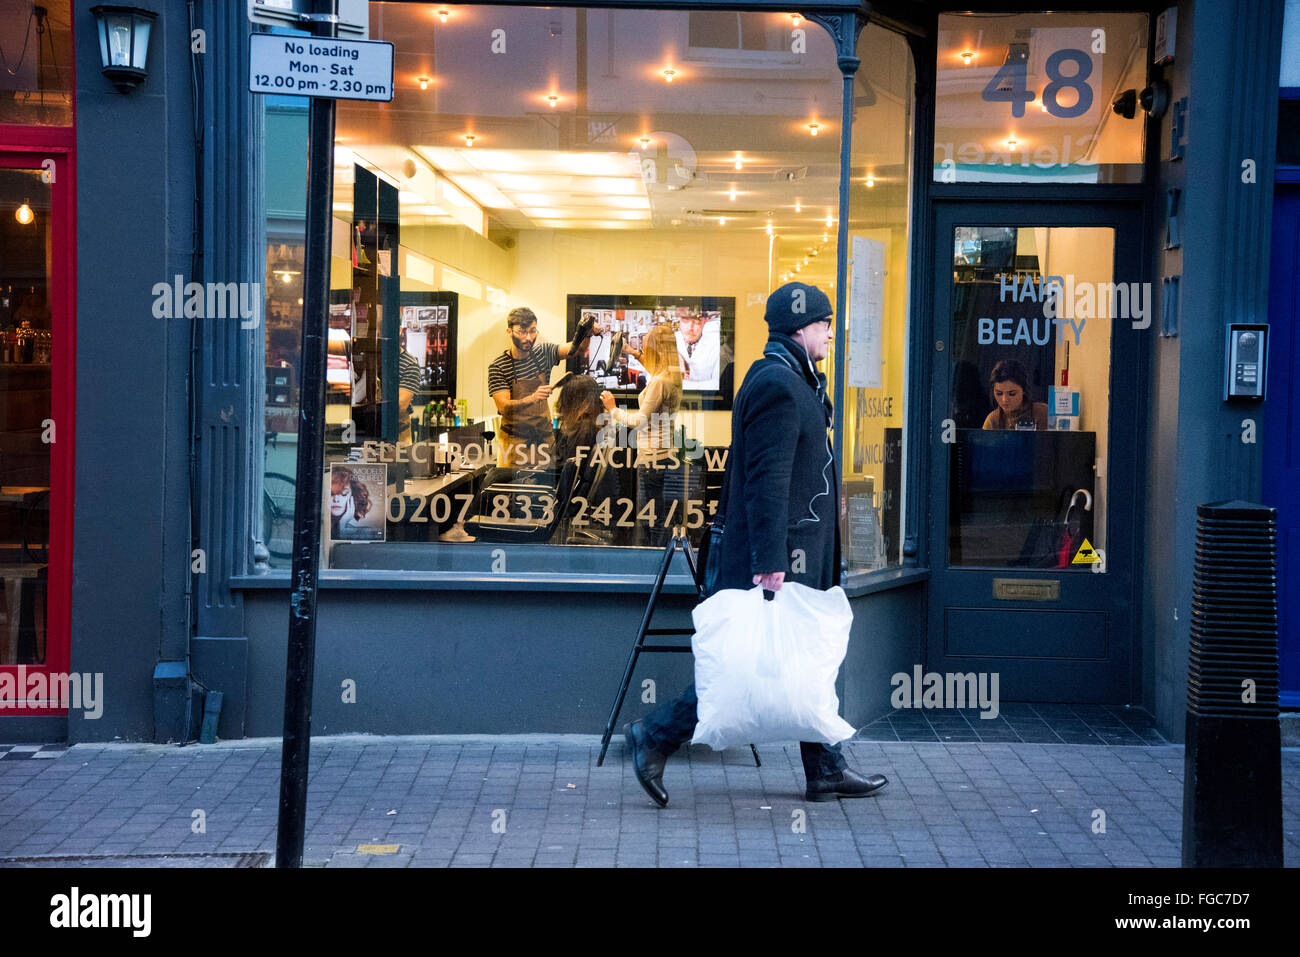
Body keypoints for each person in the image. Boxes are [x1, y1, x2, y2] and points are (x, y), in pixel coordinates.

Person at [623, 282, 890, 806]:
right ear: (801, 327)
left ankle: (826, 768)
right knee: (743, 664)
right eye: (825, 325)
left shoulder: (793, 377)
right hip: (777, 556)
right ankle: (653, 736)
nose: (831, 334)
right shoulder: (777, 384)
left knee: (805, 654)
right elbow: (767, 480)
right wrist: (770, 562)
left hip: (798, 551)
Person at [600, 322, 683, 547]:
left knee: (654, 516)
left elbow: (638, 420)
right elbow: (653, 367)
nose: (644, 352)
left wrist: (612, 408)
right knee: (659, 512)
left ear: (656, 350)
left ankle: (657, 557)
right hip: (664, 454)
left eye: (647, 348)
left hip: (652, 457)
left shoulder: (658, 382)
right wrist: (631, 351)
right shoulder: (672, 376)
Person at [487, 306, 601, 469]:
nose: (528, 337)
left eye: (532, 331)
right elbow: (503, 407)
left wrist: (587, 332)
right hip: (514, 445)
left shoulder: (543, 353)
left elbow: (577, 349)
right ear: (509, 331)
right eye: (522, 331)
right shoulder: (499, 366)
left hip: (543, 440)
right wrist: (532, 398)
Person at [981, 359, 1049, 430]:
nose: (1005, 400)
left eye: (1012, 393)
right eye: (999, 393)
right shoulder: (992, 420)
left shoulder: (1043, 413)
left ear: (1024, 390)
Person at [674, 308, 721, 389]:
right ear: (679, 319)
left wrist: (679, 385)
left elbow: (717, 384)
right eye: (685, 319)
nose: (690, 328)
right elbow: (651, 379)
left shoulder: (716, 345)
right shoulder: (668, 340)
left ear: (705, 320)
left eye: (696, 321)